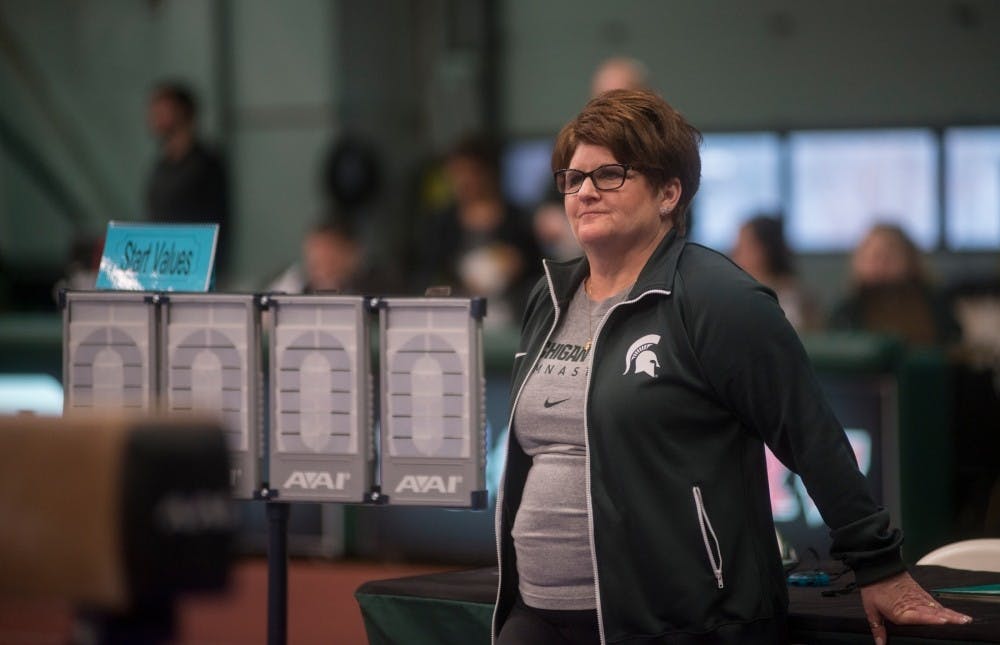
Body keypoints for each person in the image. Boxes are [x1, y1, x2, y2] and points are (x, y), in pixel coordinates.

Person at [493, 90, 972, 644]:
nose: (585, 192)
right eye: (573, 179)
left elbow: (810, 434)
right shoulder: (550, 295)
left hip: (678, 620)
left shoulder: (718, 298)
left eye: (610, 174)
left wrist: (878, 565)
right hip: (538, 611)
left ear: (669, 192)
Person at [414, 134, 541, 327]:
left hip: (511, 319)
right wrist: (458, 287)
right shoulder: (440, 224)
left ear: (487, 172)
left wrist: (518, 264)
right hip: (456, 321)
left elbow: (539, 273)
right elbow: (425, 275)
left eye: (471, 172)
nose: (464, 181)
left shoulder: (518, 219)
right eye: (456, 173)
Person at [145, 81, 230, 276]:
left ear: (183, 112)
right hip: (160, 265)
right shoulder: (160, 166)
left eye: (163, 110)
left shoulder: (207, 164)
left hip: (193, 268)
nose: (154, 118)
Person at [829, 223, 960, 346]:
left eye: (889, 256)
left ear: (910, 260)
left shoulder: (935, 305)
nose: (880, 264)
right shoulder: (845, 313)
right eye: (872, 257)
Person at [730, 214, 819, 331]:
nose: (734, 255)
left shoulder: (790, 299)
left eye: (741, 248)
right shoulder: (735, 299)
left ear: (763, 251)